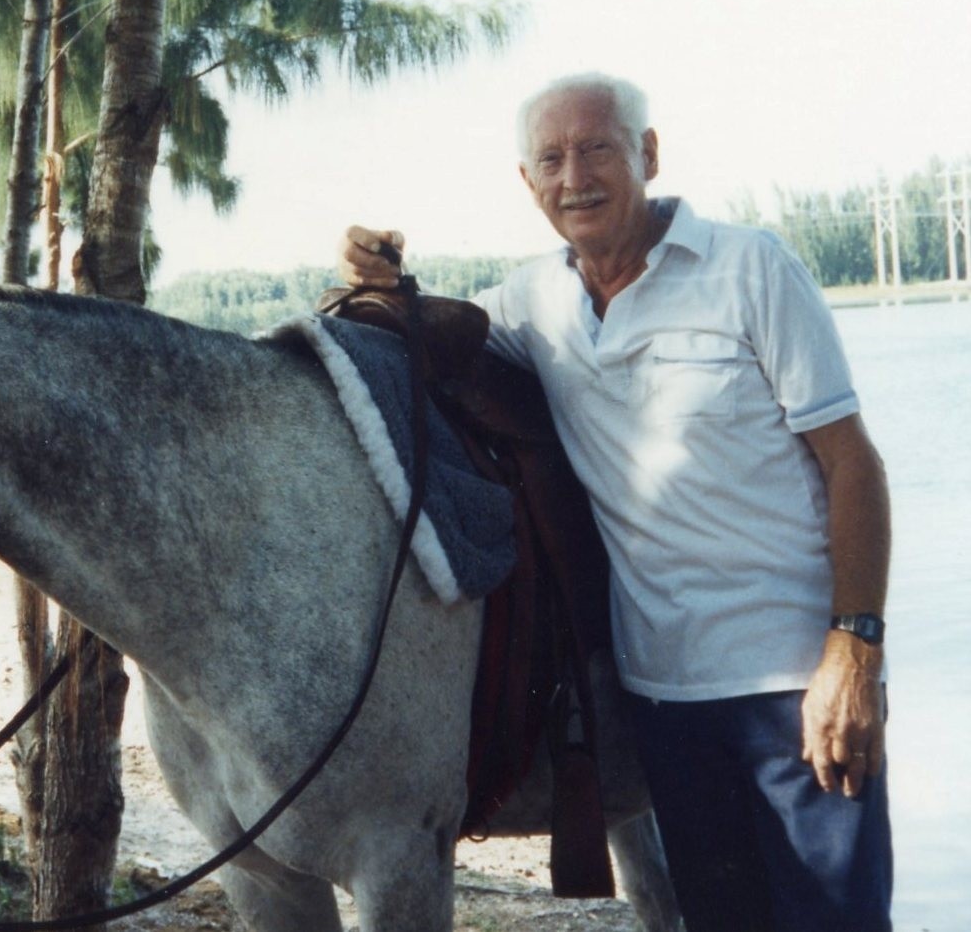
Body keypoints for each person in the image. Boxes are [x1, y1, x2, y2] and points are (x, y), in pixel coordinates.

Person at [338, 72, 893, 932]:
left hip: (796, 687)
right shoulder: (532, 301)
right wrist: (373, 275)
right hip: (663, 700)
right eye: (550, 159)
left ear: (648, 154)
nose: (575, 177)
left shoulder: (752, 267)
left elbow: (852, 464)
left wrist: (852, 656)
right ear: (527, 184)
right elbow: (428, 340)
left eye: (597, 148)